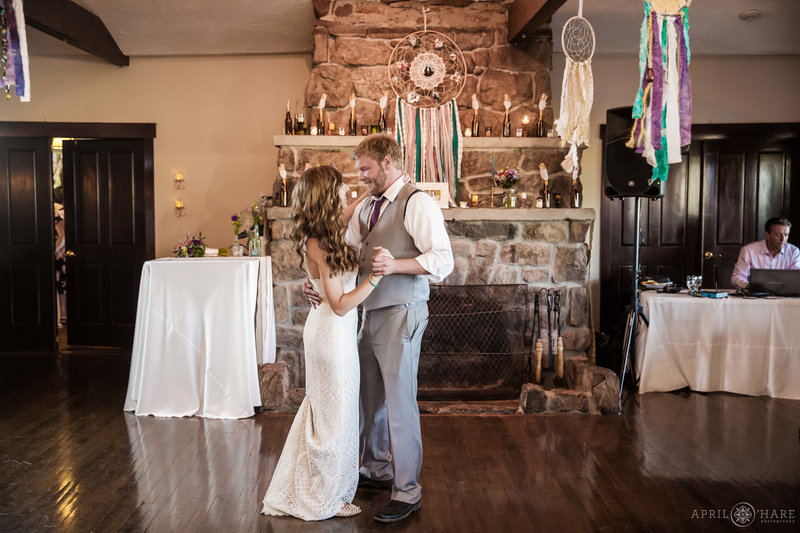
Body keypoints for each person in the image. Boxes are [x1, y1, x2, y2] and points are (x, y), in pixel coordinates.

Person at [304, 134, 454, 523]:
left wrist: (396, 266)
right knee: (369, 398)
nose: (361, 176)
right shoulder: (366, 206)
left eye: (366, 169)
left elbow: (443, 260)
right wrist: (318, 282)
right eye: (358, 170)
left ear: (388, 162)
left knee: (399, 402)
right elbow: (348, 254)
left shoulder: (417, 202)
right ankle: (375, 469)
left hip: (402, 310)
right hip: (367, 312)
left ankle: (407, 490)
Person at [261, 165, 388, 521]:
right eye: (341, 188)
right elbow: (341, 304)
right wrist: (376, 278)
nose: (347, 191)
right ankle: (322, 495)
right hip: (331, 335)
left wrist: (374, 185)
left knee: (337, 415)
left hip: (334, 334)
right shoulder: (319, 242)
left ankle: (328, 486)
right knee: (333, 419)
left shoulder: (327, 229)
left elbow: (356, 202)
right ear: (326, 196)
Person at [731, 217, 800, 289]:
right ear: (767, 235)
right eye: (778, 235)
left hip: (784, 296)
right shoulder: (748, 250)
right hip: (755, 296)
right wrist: (749, 286)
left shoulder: (794, 252)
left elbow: (796, 279)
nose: (783, 239)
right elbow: (737, 277)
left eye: (786, 235)